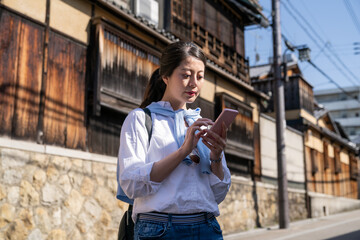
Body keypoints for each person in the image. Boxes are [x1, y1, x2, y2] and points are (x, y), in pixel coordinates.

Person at [117, 41, 231, 240]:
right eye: (186, 75)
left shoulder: (202, 124)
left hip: (207, 228)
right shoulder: (140, 119)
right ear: (166, 76)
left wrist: (216, 157)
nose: (194, 83)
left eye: (200, 76)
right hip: (159, 230)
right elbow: (132, 184)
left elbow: (218, 193)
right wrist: (182, 152)